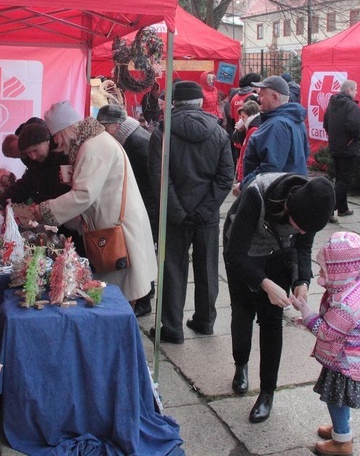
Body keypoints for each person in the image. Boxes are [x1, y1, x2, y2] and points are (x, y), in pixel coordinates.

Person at [223, 173, 335, 423]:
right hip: (242, 251)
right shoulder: (257, 195)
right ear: (287, 207)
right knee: (242, 310)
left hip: (277, 254)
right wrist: (264, 284)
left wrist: (301, 282)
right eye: (298, 226)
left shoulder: (310, 207)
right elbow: (235, 253)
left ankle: (267, 393)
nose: (302, 231)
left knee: (272, 320)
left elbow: (302, 247)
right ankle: (241, 364)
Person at [24, 101, 157, 302]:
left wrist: (44, 210)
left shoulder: (92, 147)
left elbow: (83, 195)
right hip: (114, 225)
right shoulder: (94, 142)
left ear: (65, 129)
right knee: (118, 294)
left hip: (116, 230)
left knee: (117, 297)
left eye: (56, 136)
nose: (57, 143)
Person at [148, 81, 234, 344]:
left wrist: (178, 211)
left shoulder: (162, 132)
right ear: (199, 102)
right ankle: (205, 321)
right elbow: (225, 177)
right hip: (205, 215)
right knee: (207, 267)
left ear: (174, 103)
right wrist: (205, 209)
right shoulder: (219, 133)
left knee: (172, 267)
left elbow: (159, 178)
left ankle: (172, 327)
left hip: (176, 215)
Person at [290, 231, 360, 456]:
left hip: (344, 363)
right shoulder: (352, 288)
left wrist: (307, 314)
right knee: (342, 399)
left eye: (323, 268)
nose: (319, 272)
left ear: (340, 269)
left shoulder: (346, 305)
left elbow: (327, 332)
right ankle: (342, 429)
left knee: (335, 400)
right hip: (352, 359)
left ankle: (342, 441)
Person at [96, 104, 156, 316]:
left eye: (103, 126)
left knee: (139, 257)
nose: (102, 132)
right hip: (143, 203)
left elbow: (146, 181)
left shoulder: (135, 142)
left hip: (145, 205)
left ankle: (143, 301)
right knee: (140, 257)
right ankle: (142, 298)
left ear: (115, 125)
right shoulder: (130, 137)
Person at [234, 75, 309, 196]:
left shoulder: (277, 124)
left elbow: (270, 168)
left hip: (274, 196)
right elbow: (304, 155)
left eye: (262, 95)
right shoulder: (295, 120)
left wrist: (244, 184)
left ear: (274, 97)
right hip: (291, 190)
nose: (258, 99)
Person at [323, 79, 360, 218]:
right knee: (344, 180)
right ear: (349, 90)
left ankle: (342, 208)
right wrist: (356, 137)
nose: (356, 92)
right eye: (355, 89)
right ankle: (330, 209)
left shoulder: (332, 103)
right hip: (348, 147)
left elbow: (325, 122)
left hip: (335, 145)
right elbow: (355, 126)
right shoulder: (351, 106)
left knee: (340, 177)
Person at [232, 100, 262, 184]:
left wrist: (241, 178)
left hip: (246, 176)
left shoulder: (253, 130)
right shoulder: (249, 128)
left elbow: (247, 153)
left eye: (243, 117)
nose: (241, 120)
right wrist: (240, 131)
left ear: (250, 116)